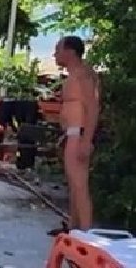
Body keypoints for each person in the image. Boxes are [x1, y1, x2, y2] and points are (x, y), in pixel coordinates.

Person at [53, 35, 100, 232]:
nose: (54, 54)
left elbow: (93, 107)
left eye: (58, 49)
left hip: (79, 134)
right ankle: (74, 229)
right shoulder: (73, 75)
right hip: (72, 133)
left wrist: (86, 140)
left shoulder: (84, 74)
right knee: (73, 184)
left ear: (70, 51)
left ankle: (87, 235)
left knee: (80, 185)